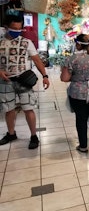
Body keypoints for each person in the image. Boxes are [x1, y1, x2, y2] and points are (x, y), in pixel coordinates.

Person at [0, 14, 50, 149]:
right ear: (6, 28)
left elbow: (37, 60)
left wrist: (45, 76)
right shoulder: (0, 41)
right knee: (8, 109)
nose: (16, 31)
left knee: (28, 108)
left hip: (24, 80)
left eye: (19, 29)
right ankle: (11, 133)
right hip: (5, 82)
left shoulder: (26, 42)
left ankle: (34, 136)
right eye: (13, 28)